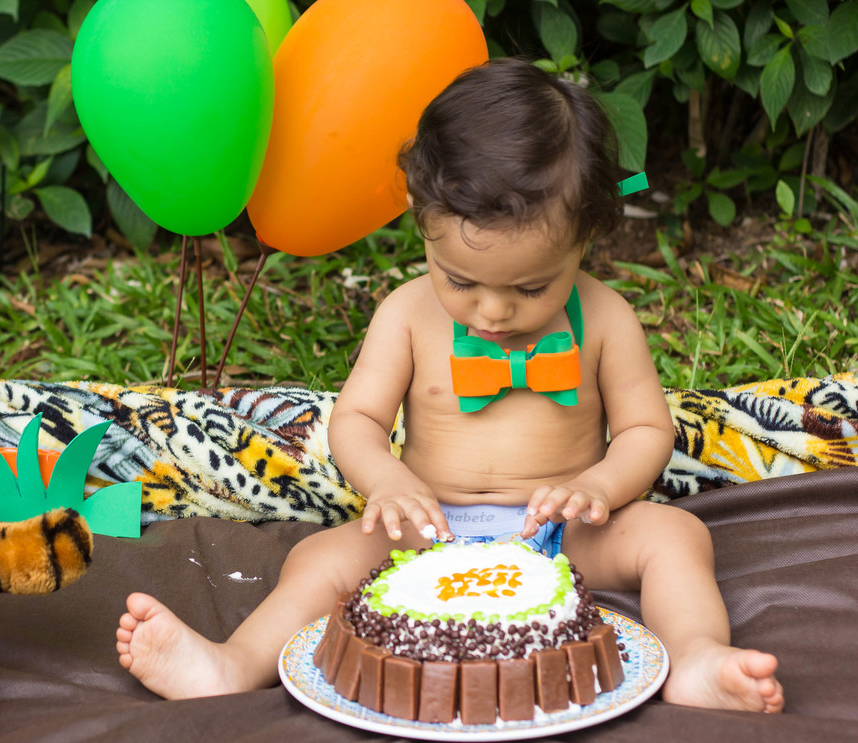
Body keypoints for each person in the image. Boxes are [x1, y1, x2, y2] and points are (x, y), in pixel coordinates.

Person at [116, 58, 783, 714]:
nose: (493, 311)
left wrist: (599, 487)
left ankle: (695, 657)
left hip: (563, 533)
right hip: (425, 527)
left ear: (585, 237)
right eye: (460, 280)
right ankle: (233, 663)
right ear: (420, 214)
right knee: (320, 557)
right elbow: (357, 420)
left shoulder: (606, 318)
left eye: (531, 288)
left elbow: (645, 428)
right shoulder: (407, 314)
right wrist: (388, 481)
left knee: (676, 536)